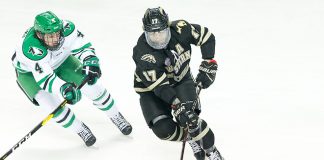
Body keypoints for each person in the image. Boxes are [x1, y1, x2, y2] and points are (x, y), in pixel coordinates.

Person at [11, 11, 132, 147]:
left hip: (61, 61)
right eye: (50, 36)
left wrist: (90, 59)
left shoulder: (68, 28)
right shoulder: (30, 48)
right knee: (53, 107)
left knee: (94, 87)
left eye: (57, 34)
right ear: (39, 35)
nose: (56, 39)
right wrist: (63, 88)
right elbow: (45, 78)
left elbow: (82, 46)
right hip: (29, 73)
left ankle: (115, 115)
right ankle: (80, 129)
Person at [132, 7, 223, 160]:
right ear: (145, 32)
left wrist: (209, 61)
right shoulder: (142, 53)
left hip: (181, 79)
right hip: (152, 90)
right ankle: (191, 138)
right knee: (163, 129)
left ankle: (211, 150)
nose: (157, 38)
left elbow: (207, 36)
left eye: (160, 31)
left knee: (191, 119)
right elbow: (161, 88)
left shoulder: (181, 28)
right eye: (152, 33)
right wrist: (176, 105)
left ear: (168, 26)